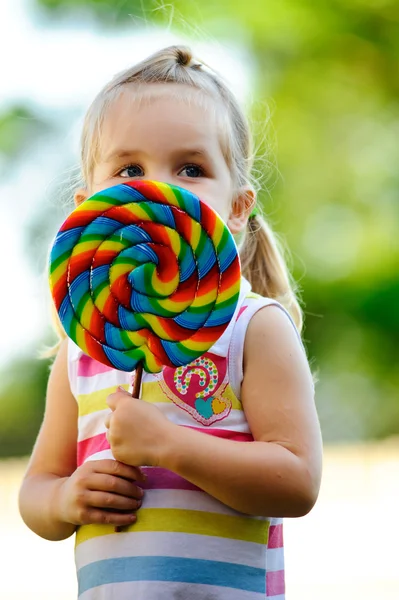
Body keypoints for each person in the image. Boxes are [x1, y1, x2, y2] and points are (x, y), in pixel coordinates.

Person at [19, 45, 322, 600]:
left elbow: (298, 482)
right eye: (130, 169)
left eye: (191, 168)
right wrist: (64, 501)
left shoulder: (254, 328)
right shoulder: (83, 346)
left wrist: (170, 445)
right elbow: (37, 489)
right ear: (88, 208)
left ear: (237, 207)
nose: (162, 190)